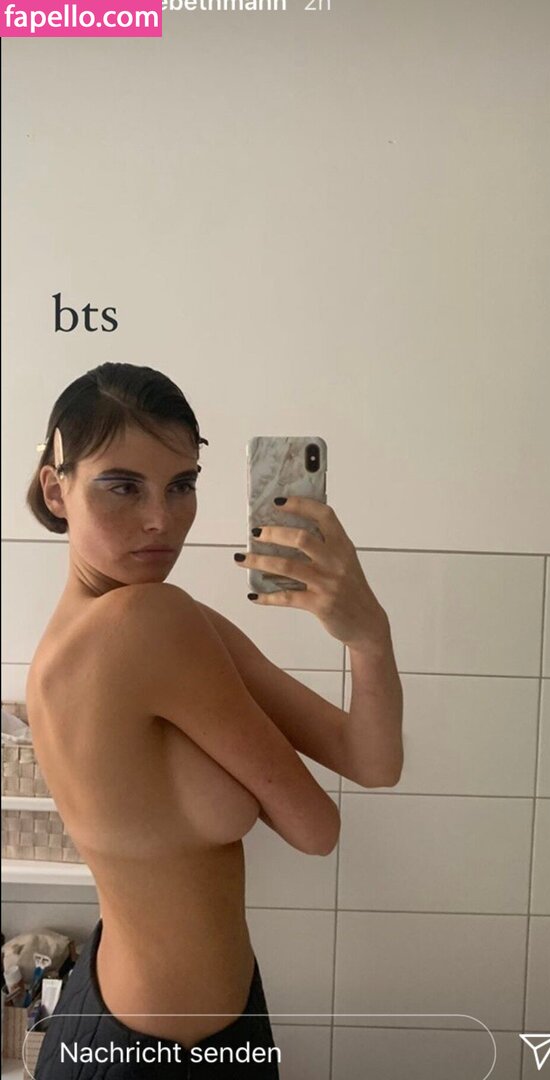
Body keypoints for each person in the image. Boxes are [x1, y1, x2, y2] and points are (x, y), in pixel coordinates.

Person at [25, 362, 403, 1078]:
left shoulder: (151, 622)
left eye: (182, 485)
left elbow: (372, 760)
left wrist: (368, 636)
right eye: (122, 486)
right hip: (152, 1057)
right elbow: (316, 828)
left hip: (155, 1023)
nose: (161, 519)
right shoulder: (149, 620)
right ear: (56, 489)